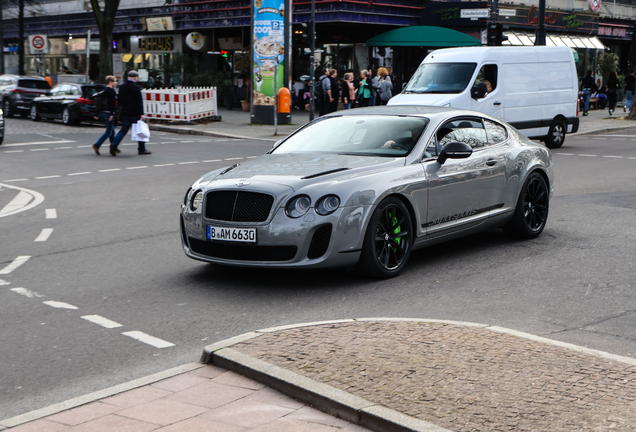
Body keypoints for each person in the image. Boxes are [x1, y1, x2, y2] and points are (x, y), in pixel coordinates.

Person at [110, 70, 151, 156]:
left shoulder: (122, 86)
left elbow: (120, 100)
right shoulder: (136, 87)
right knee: (139, 130)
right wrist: (142, 113)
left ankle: (114, 144)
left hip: (125, 111)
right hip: (135, 112)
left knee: (123, 130)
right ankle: (141, 149)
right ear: (135, 78)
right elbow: (139, 101)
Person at [92, 75, 118, 156]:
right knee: (108, 132)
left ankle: (114, 147)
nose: (116, 83)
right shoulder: (111, 91)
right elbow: (112, 104)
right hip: (108, 113)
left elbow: (98, 103)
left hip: (102, 113)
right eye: (115, 81)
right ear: (110, 82)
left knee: (112, 131)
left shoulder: (103, 90)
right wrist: (112, 113)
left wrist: (96, 113)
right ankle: (97, 145)